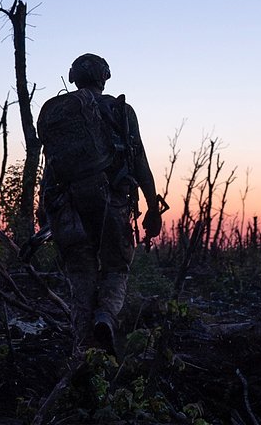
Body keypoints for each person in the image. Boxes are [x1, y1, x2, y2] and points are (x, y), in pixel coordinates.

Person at [36, 53, 167, 351]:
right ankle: (106, 317)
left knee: (81, 271)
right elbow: (140, 160)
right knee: (116, 268)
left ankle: (82, 346)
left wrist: (44, 206)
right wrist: (153, 207)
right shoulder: (120, 110)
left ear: (73, 78)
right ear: (104, 77)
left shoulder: (57, 112)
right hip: (111, 201)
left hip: (66, 203)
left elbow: (51, 164)